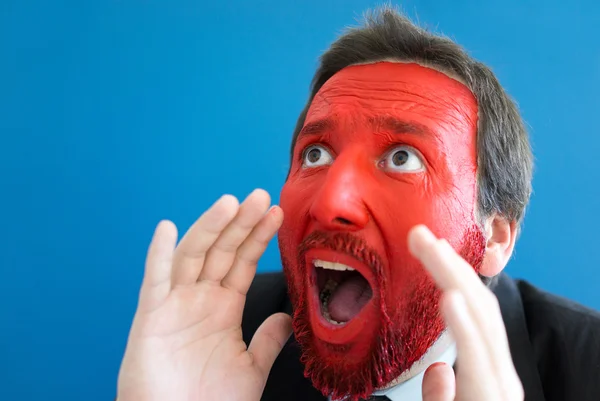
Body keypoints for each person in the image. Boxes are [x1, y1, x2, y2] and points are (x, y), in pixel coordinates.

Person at [116, 6, 600, 401]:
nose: (332, 203)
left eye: (403, 158)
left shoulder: (587, 367)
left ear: (493, 236)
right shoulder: (221, 333)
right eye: (316, 153)